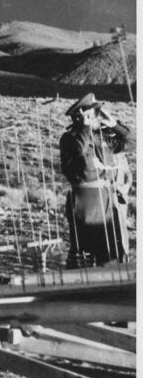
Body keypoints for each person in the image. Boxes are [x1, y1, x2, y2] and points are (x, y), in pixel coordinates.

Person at [59, 93, 132, 268]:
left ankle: (110, 284)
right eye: (94, 113)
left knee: (110, 252)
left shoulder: (101, 137)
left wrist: (114, 124)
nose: (97, 116)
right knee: (85, 254)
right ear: (81, 116)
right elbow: (78, 150)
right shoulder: (70, 138)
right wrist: (85, 126)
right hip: (85, 204)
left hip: (106, 201)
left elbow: (132, 142)